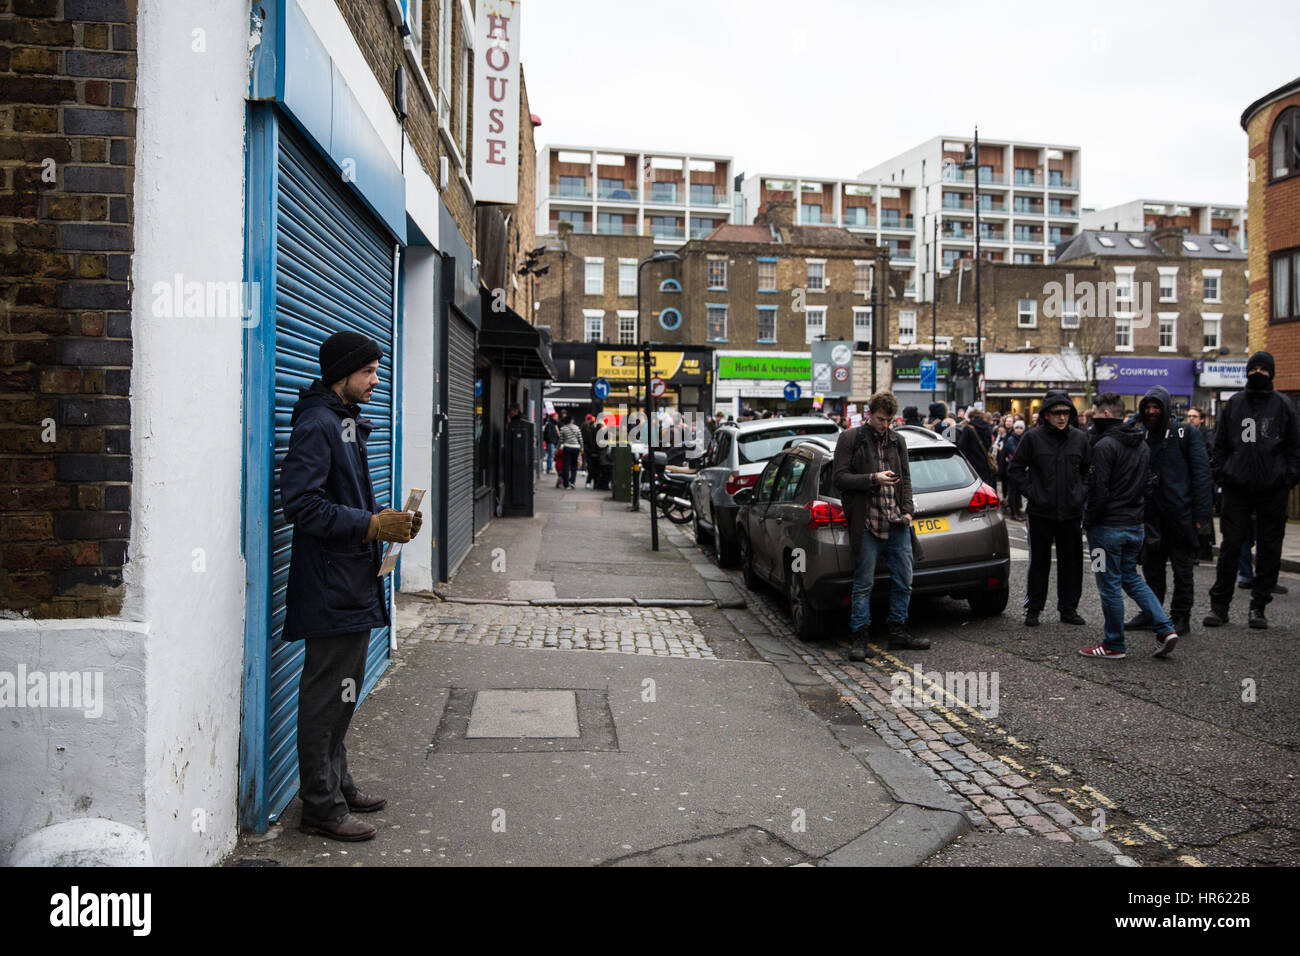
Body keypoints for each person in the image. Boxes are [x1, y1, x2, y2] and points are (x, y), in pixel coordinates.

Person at [280, 330, 422, 841]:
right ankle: (320, 807)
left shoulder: (342, 421)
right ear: (341, 374)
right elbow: (301, 505)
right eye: (368, 371)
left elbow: (346, 502)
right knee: (326, 697)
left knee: (342, 695)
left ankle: (337, 784)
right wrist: (369, 525)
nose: (376, 380)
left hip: (349, 581)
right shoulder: (318, 423)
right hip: (329, 586)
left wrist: (392, 522)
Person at [1204, 352, 1300, 629]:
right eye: (1254, 368)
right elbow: (1220, 445)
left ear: (1272, 373)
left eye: (1263, 369)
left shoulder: (1283, 406)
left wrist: (1288, 477)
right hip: (1237, 488)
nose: (1258, 372)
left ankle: (1258, 606)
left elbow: (1295, 448)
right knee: (1230, 547)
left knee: (1270, 549)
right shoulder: (1234, 404)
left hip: (1273, 489)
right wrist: (1223, 472)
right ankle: (1219, 606)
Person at [1079, 393, 1178, 659]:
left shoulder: (1104, 446)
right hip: (1134, 527)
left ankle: (1113, 644)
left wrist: (1088, 520)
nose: (1093, 418)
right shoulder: (1141, 445)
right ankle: (1165, 628)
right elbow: (1147, 486)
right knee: (1132, 578)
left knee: (1108, 583)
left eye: (1096, 413)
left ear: (1107, 415)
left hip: (1106, 529)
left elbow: (1099, 490)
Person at [833, 391, 929, 658]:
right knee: (863, 584)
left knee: (904, 581)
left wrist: (908, 511)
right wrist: (873, 478)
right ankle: (859, 637)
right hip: (867, 522)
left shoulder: (897, 441)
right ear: (869, 414)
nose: (885, 425)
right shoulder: (851, 438)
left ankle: (898, 632)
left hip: (897, 521)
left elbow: (906, 479)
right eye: (880, 419)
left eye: (889, 420)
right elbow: (839, 477)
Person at [1122, 386, 1211, 637]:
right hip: (1150, 515)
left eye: (1156, 407)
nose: (1151, 412)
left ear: (1165, 408)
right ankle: (1152, 613)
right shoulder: (1141, 435)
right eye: (1147, 407)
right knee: (1152, 568)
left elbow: (1202, 475)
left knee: (1182, 569)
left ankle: (1181, 616)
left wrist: (1202, 517)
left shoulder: (1186, 433)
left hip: (1180, 514)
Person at [1008, 390, 1091, 627]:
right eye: (1057, 413)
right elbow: (1015, 469)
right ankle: (1034, 608)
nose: (1062, 417)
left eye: (1065, 412)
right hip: (1041, 513)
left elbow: (1088, 472)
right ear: (1046, 415)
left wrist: (1079, 494)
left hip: (1071, 512)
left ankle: (1068, 609)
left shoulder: (1080, 438)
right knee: (1039, 563)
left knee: (1071, 563)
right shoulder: (1032, 438)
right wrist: (1034, 493)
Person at [1185, 406, 1215, 561]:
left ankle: (1204, 548)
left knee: (1203, 515)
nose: (1191, 418)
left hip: (1203, 480)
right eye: (1189, 416)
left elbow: (1211, 454)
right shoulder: (1184, 434)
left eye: (1194, 416)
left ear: (1201, 419)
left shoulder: (1206, 434)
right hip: (1189, 480)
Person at [955, 408, 995, 486]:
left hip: (972, 464)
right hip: (985, 463)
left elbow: (961, 445)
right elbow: (990, 444)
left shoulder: (968, 429)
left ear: (971, 417)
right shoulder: (987, 428)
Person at [998, 419, 1025, 519]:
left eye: (1021, 428)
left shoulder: (1022, 438)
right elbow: (1016, 452)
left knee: (1017, 492)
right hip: (1011, 470)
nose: (1018, 430)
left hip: (1019, 469)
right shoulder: (1011, 439)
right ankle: (1014, 513)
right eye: (1017, 428)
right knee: (1012, 492)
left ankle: (1017, 510)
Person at [558, 413, 583, 490]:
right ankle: (572, 482)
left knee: (566, 466)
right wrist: (582, 448)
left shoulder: (563, 429)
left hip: (567, 447)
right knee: (574, 466)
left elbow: (561, 440)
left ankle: (566, 484)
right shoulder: (577, 428)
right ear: (571, 421)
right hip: (576, 448)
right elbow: (580, 439)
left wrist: (557, 448)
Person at [581, 413, 600, 489]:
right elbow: (591, 440)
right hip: (591, 449)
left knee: (587, 462)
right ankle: (592, 482)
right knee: (591, 465)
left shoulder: (586, 427)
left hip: (587, 448)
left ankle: (586, 475)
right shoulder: (592, 428)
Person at [541, 412, 559, 477]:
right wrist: (551, 440)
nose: (557, 418)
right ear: (553, 417)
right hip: (551, 442)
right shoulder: (550, 424)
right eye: (556, 416)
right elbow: (548, 434)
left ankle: (550, 468)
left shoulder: (553, 424)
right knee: (551, 456)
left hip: (552, 442)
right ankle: (549, 469)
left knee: (551, 456)